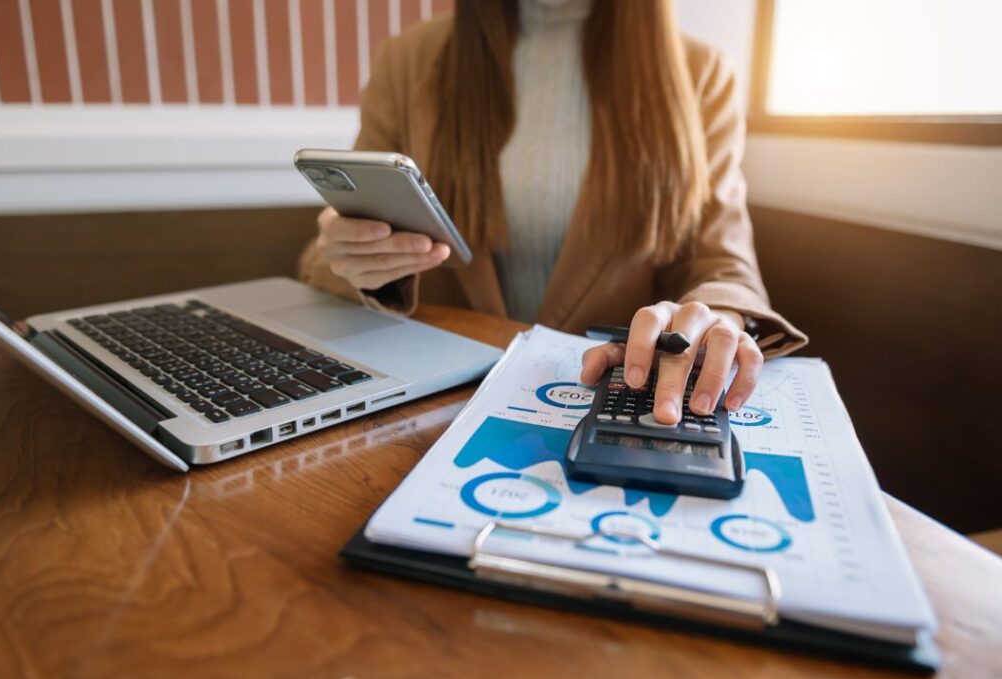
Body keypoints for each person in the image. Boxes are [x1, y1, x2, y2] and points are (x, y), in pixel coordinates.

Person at [299, 0, 807, 425]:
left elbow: (723, 265)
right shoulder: (410, 60)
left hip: (607, 404)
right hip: (431, 405)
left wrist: (713, 320)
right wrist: (352, 259)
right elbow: (329, 256)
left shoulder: (701, 74)